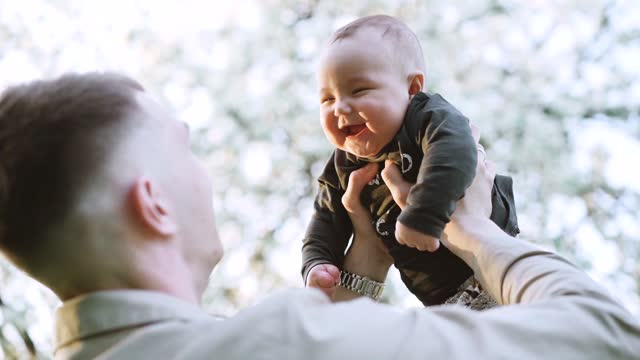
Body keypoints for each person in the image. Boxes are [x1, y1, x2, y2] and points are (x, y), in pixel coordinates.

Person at [0, 73, 638, 359]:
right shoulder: (282, 344)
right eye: (184, 151)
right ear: (154, 203)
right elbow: (605, 338)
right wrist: (477, 231)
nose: (205, 177)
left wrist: (364, 256)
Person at [302, 15, 519, 307]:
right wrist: (317, 264)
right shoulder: (342, 166)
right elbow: (325, 219)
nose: (340, 107)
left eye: (359, 90)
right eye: (327, 99)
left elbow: (455, 151)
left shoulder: (425, 118)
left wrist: (424, 213)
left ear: (412, 88)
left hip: (493, 268)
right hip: (442, 298)